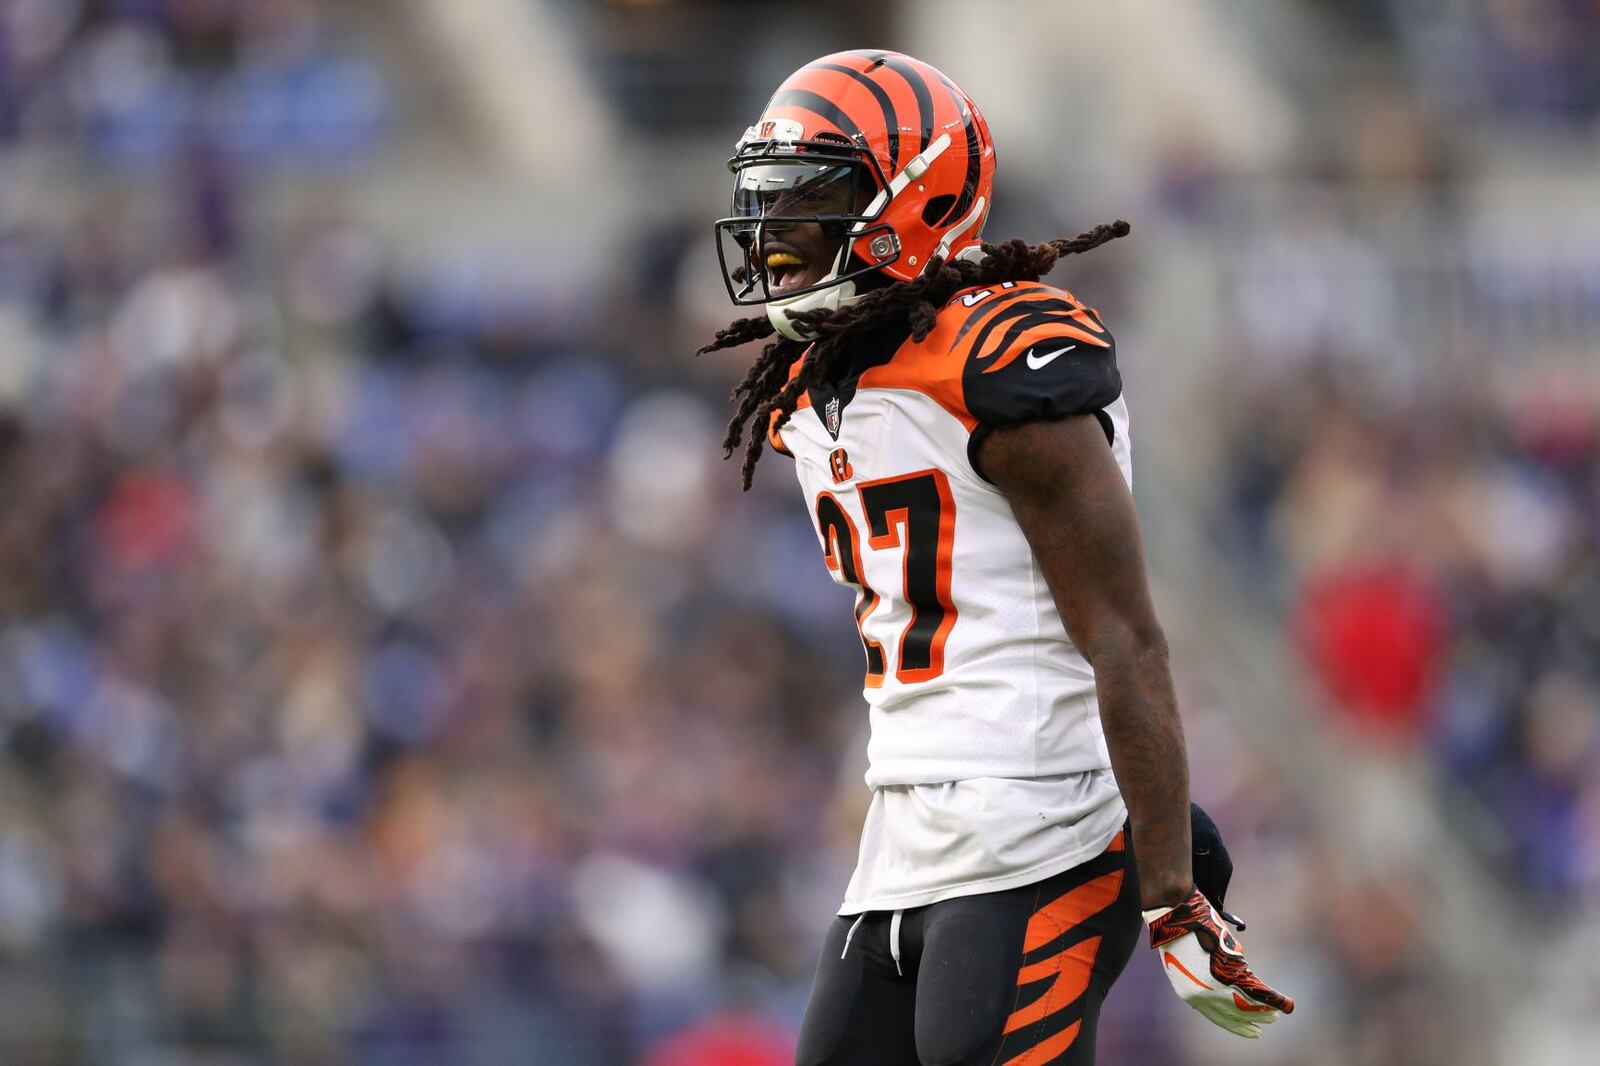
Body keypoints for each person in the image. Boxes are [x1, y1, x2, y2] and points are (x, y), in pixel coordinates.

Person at [700, 50, 1293, 1065]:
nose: (776, 239)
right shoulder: (811, 384)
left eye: (807, 202)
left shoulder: (999, 362)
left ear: (909, 199)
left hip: (1040, 816)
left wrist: (1165, 886)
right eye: (767, 204)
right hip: (904, 833)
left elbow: (1125, 637)